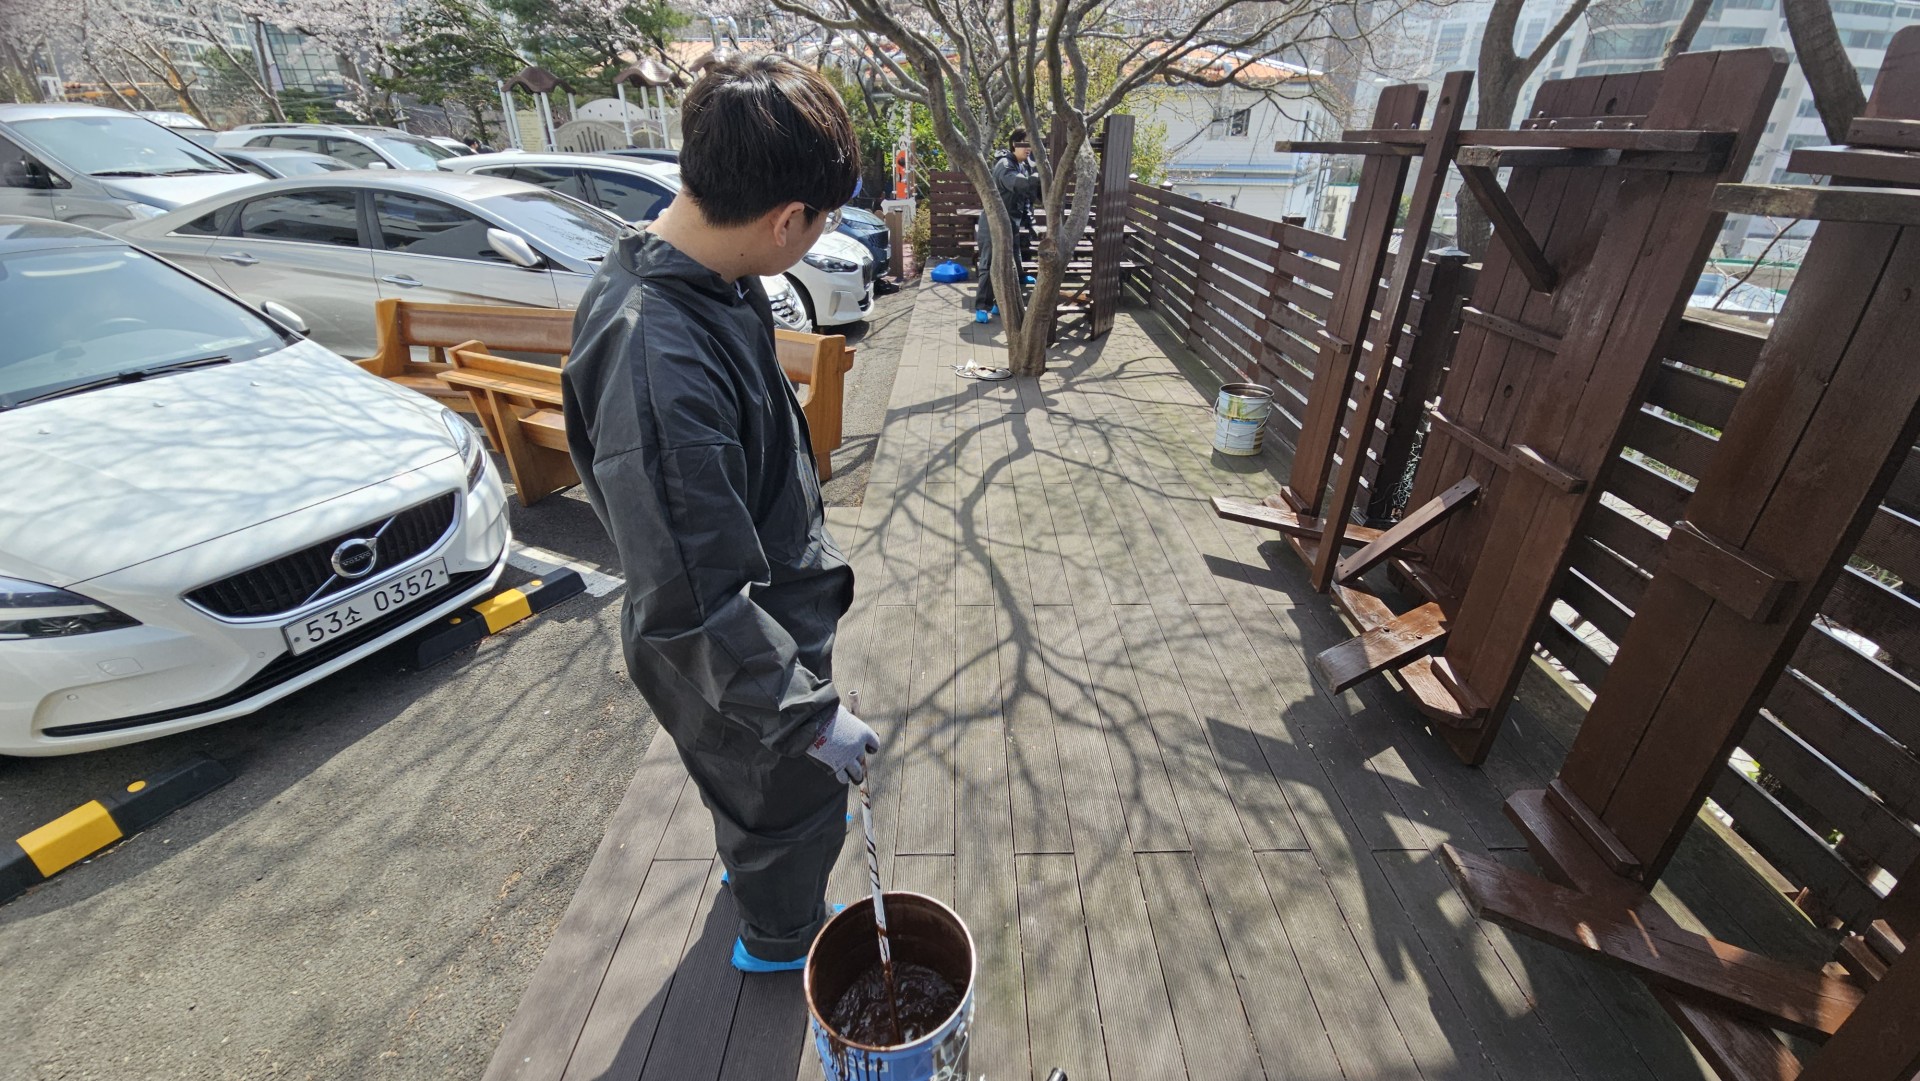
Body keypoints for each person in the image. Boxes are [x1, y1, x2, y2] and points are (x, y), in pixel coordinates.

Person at [562, 53, 878, 974]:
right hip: (737, 647)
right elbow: (694, 601)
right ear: (787, 219)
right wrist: (808, 715)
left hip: (763, 614)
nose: (815, 240)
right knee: (782, 799)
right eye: (820, 224)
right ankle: (780, 939)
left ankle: (763, 874)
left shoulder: (706, 275)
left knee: (757, 788)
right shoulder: (658, 358)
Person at [973, 128, 1041, 323]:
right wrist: (1036, 174)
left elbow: (1026, 200)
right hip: (993, 224)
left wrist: (1031, 222)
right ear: (1014, 144)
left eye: (1031, 144)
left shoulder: (1023, 166)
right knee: (990, 265)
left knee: (1013, 262)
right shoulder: (1005, 165)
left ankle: (1000, 303)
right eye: (1024, 143)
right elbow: (1021, 185)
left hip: (1011, 224)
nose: (1028, 148)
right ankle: (982, 307)